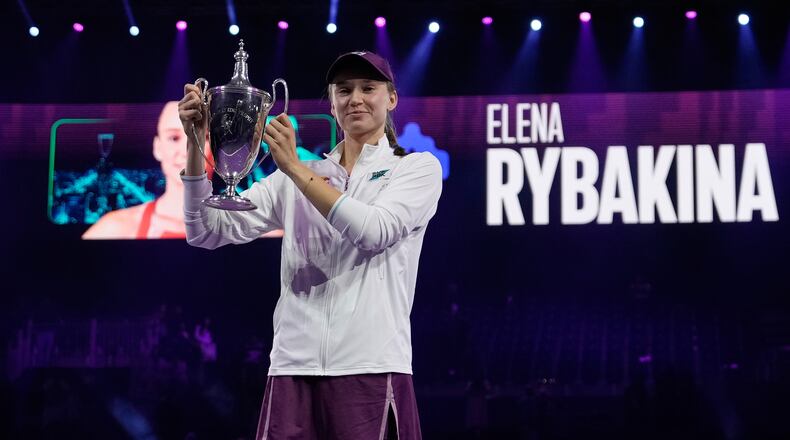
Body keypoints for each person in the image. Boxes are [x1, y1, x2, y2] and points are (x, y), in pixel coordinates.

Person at [178, 51, 442, 439]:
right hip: (291, 370)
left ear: (391, 99)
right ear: (332, 104)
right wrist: (195, 144)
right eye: (344, 90)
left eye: (368, 88)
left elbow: (374, 231)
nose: (356, 99)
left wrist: (296, 169)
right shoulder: (298, 176)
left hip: (370, 368)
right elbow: (204, 229)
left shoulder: (415, 168)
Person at [82, 102, 193, 239]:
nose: (186, 151)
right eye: (174, 138)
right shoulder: (116, 229)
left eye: (201, 137)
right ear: (158, 148)